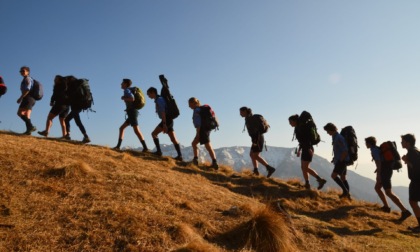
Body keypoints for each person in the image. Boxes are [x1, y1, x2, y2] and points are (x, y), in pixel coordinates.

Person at [365, 136, 412, 220]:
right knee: (377, 188)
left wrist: (378, 175)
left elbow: (378, 163)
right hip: (386, 170)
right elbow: (381, 161)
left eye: (366, 143)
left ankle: (405, 211)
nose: (365, 144)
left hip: (385, 172)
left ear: (369, 143)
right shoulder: (377, 148)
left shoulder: (374, 150)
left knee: (388, 192)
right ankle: (386, 207)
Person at [289, 114, 326, 190]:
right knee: (303, 167)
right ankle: (308, 184)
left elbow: (307, 139)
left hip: (308, 149)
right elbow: (302, 140)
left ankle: (319, 180)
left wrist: (309, 148)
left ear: (294, 121)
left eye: (290, 122)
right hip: (305, 148)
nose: (290, 124)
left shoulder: (301, 127)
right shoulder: (298, 127)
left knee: (305, 167)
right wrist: (299, 150)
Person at [146, 87, 183, 161]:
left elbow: (163, 112)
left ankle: (159, 152)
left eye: (148, 94)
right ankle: (180, 156)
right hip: (169, 119)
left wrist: (164, 124)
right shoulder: (158, 99)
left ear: (153, 92)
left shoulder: (159, 100)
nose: (148, 96)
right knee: (173, 139)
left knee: (154, 134)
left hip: (166, 120)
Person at [239, 106, 276, 178]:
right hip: (257, 138)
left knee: (255, 155)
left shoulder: (250, 119)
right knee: (252, 154)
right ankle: (256, 171)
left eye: (241, 112)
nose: (240, 114)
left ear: (245, 111)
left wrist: (255, 141)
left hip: (257, 138)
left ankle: (269, 168)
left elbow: (254, 130)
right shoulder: (248, 118)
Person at [113, 79, 148, 151]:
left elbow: (132, 99)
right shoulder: (128, 90)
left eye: (122, 83)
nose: (121, 84)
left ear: (125, 84)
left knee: (136, 130)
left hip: (132, 112)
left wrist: (124, 98)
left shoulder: (127, 90)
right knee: (122, 128)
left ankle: (145, 148)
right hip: (131, 112)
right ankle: (118, 146)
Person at [188, 97, 219, 169]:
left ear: (194, 103)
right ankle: (212, 162)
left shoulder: (196, 111)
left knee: (207, 146)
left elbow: (198, 124)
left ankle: (213, 162)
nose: (189, 106)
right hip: (207, 129)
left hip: (202, 130)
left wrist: (198, 133)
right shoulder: (201, 109)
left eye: (190, 104)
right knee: (196, 144)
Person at [323, 123, 351, 199]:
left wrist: (340, 161)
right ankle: (348, 196)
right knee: (343, 178)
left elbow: (345, 151)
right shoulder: (335, 137)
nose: (327, 132)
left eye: (327, 131)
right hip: (342, 160)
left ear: (331, 129)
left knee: (333, 176)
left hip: (342, 160)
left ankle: (345, 192)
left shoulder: (338, 138)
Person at [401, 134, 419, 231]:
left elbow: (416, 167)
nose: (401, 143)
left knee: (413, 202)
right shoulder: (415, 150)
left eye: (402, 141)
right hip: (416, 180)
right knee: (413, 202)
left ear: (408, 143)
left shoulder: (412, 152)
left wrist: (406, 161)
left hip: (416, 181)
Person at [64, 76, 91, 143]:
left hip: (76, 106)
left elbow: (69, 96)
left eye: (67, 80)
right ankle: (69, 135)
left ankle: (85, 136)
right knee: (71, 120)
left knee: (74, 121)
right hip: (79, 105)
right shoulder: (78, 85)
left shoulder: (73, 86)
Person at [17, 66, 37, 135]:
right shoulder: (28, 79)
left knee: (19, 113)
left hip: (28, 98)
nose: (22, 72)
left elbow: (27, 89)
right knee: (26, 115)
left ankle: (31, 126)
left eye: (23, 71)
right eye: (21, 71)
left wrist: (21, 98)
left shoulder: (27, 79)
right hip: (32, 99)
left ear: (28, 72)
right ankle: (28, 131)